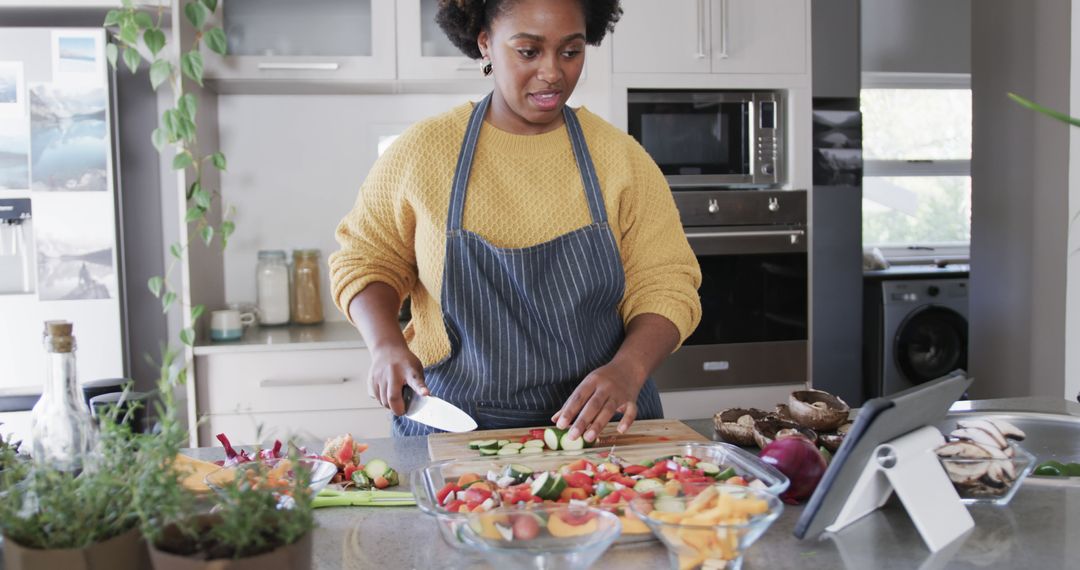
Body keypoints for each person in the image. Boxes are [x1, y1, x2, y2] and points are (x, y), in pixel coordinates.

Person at [329, 0, 701, 441]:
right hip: (454, 427)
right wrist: (386, 343)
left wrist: (629, 368)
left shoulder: (622, 160)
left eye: (570, 51)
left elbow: (667, 284)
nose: (552, 73)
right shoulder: (422, 152)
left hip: (599, 428)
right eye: (528, 51)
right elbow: (366, 260)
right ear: (485, 43)